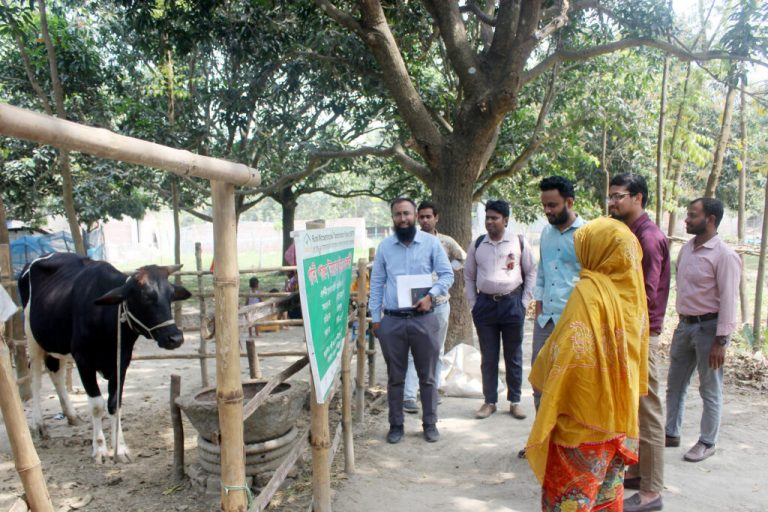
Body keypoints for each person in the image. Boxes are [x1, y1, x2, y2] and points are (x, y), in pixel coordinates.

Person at [525, 217, 649, 511]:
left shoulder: (589, 293)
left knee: (573, 502)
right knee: (606, 500)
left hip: (582, 425)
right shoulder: (633, 293)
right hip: (620, 421)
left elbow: (566, 354)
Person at [369, 197, 454, 444]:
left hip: (424, 319)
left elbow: (447, 275)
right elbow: (376, 284)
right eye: (398, 214)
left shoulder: (431, 244)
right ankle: (396, 425)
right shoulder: (385, 246)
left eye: (407, 213)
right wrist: (377, 319)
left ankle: (430, 423)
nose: (403, 218)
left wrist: (431, 296)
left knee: (427, 376)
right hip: (393, 321)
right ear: (393, 217)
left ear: (416, 215)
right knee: (396, 377)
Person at [609, 174, 670, 512]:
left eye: (618, 196)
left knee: (648, 411)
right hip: (629, 331)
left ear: (638, 198)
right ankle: (636, 472)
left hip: (642, 333)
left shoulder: (647, 238)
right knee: (632, 406)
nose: (612, 203)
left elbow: (643, 296)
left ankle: (652, 491)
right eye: (611, 197)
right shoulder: (628, 234)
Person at [665, 197, 741, 463]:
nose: (686, 219)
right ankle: (671, 432)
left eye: (692, 215)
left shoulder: (724, 255)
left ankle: (707, 441)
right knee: (675, 384)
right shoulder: (686, 250)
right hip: (685, 326)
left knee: (709, 388)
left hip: (710, 330)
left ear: (709, 219)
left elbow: (729, 300)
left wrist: (722, 341)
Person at [517, 176, 585, 459]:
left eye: (553, 205)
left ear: (570, 202)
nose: (547, 211)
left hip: (575, 321)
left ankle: (570, 445)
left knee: (572, 385)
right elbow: (543, 271)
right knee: (539, 382)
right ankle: (542, 440)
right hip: (546, 320)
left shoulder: (588, 234)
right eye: (545, 205)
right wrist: (540, 305)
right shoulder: (545, 233)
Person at [464, 199, 536, 420]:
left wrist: (524, 302)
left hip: (512, 304)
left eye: (495, 218)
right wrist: (474, 304)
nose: (490, 222)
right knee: (489, 356)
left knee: (513, 355)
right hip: (485, 307)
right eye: (487, 217)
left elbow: (532, 272)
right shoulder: (477, 244)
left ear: (505, 220)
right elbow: (468, 276)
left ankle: (515, 401)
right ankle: (489, 401)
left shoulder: (518, 242)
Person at [402, 200, 466, 414]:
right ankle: (409, 396)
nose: (425, 220)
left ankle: (432, 392)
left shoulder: (446, 242)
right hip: (414, 303)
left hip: (439, 303)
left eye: (429, 216)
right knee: (412, 351)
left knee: (436, 350)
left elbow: (462, 259)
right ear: (417, 218)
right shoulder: (410, 240)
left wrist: (445, 271)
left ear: (436, 218)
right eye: (422, 217)